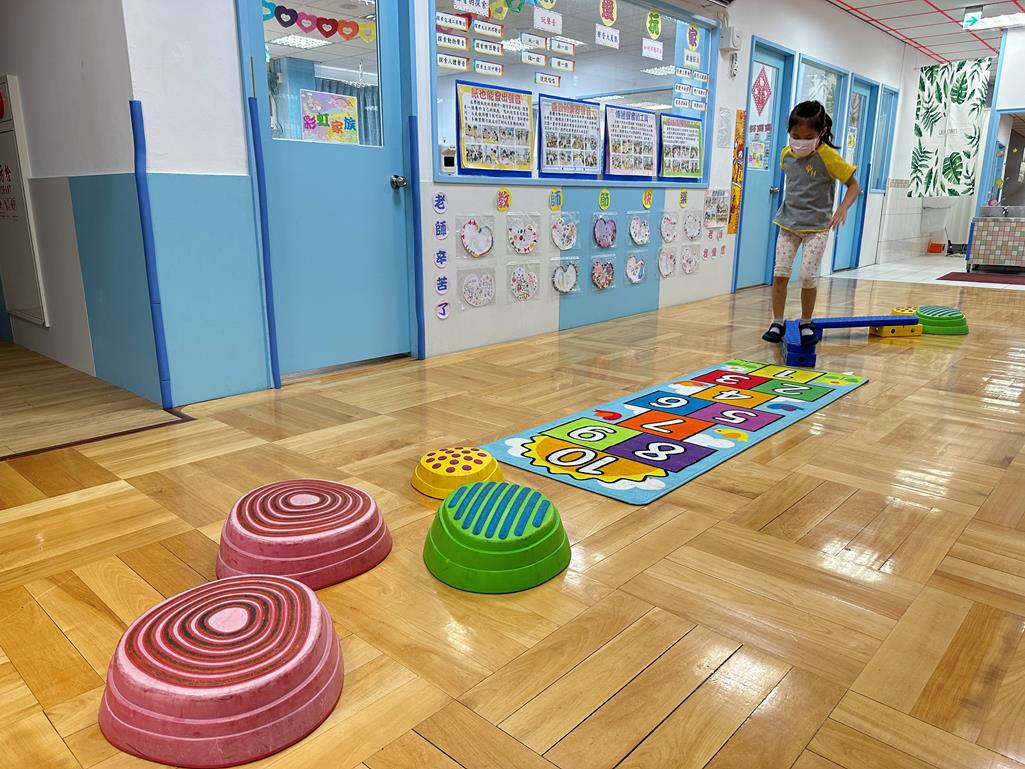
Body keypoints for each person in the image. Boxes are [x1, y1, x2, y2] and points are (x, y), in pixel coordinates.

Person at [762, 101, 861, 346]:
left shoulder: (828, 157)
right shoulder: (786, 154)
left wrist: (842, 208)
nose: (800, 142)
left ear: (821, 133)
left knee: (807, 275)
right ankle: (777, 322)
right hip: (788, 224)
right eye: (796, 136)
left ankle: (806, 321)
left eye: (808, 137)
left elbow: (854, 186)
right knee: (780, 274)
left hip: (816, 228)